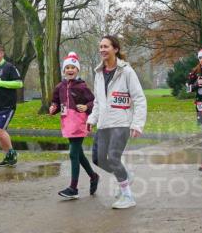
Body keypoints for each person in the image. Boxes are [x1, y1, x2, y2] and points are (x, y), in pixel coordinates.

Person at [87, 35, 147, 209]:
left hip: (121, 122)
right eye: (101, 47)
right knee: (98, 159)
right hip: (104, 123)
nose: (102, 50)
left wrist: (137, 124)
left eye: (106, 46)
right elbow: (98, 100)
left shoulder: (126, 71)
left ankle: (128, 196)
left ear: (116, 49)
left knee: (113, 158)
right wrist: (92, 119)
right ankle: (126, 174)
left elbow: (139, 99)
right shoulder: (98, 72)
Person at [49, 52, 100, 199]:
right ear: (64, 71)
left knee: (73, 153)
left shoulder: (82, 86)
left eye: (73, 67)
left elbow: (93, 102)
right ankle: (93, 176)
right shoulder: (59, 87)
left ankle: (73, 188)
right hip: (67, 123)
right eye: (67, 68)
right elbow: (56, 102)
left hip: (79, 122)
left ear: (77, 70)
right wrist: (53, 108)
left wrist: (86, 106)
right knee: (79, 154)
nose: (70, 70)